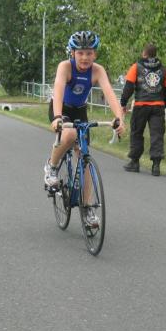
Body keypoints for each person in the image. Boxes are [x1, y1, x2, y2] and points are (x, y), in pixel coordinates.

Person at [43, 31, 126, 224]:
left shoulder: (97, 70)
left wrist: (119, 119)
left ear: (95, 54)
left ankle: (88, 208)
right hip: (61, 107)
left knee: (84, 156)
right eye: (80, 53)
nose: (85, 57)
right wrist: (57, 117)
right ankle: (51, 167)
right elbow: (58, 89)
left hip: (80, 110)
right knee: (69, 134)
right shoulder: (65, 67)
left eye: (89, 53)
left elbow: (110, 93)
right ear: (72, 53)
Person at [119, 43, 166, 176]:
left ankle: (135, 162)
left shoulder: (136, 67)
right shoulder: (163, 70)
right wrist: (164, 104)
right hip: (158, 106)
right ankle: (156, 166)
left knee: (137, 133)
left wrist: (123, 103)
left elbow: (128, 87)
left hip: (141, 105)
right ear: (155, 54)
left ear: (144, 53)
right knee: (157, 135)